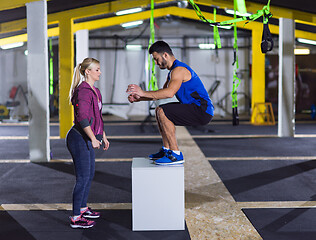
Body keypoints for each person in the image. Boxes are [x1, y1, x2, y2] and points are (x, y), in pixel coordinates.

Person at [126, 40, 214, 165]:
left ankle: (176, 154)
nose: (156, 63)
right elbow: (161, 93)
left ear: (165, 55)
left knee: (163, 111)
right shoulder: (172, 72)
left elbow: (169, 93)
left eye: (156, 59)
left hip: (202, 110)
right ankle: (167, 150)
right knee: (159, 110)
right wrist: (139, 98)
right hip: (193, 107)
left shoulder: (179, 70)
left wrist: (142, 92)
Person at [66, 57, 110, 229]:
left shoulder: (95, 91)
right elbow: (82, 117)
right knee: (82, 177)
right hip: (79, 138)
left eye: (99, 69)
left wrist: (102, 136)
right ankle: (76, 217)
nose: (100, 72)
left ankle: (83, 208)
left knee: (89, 175)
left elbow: (98, 117)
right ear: (87, 72)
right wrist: (93, 138)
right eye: (97, 69)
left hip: (89, 137)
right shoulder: (83, 91)